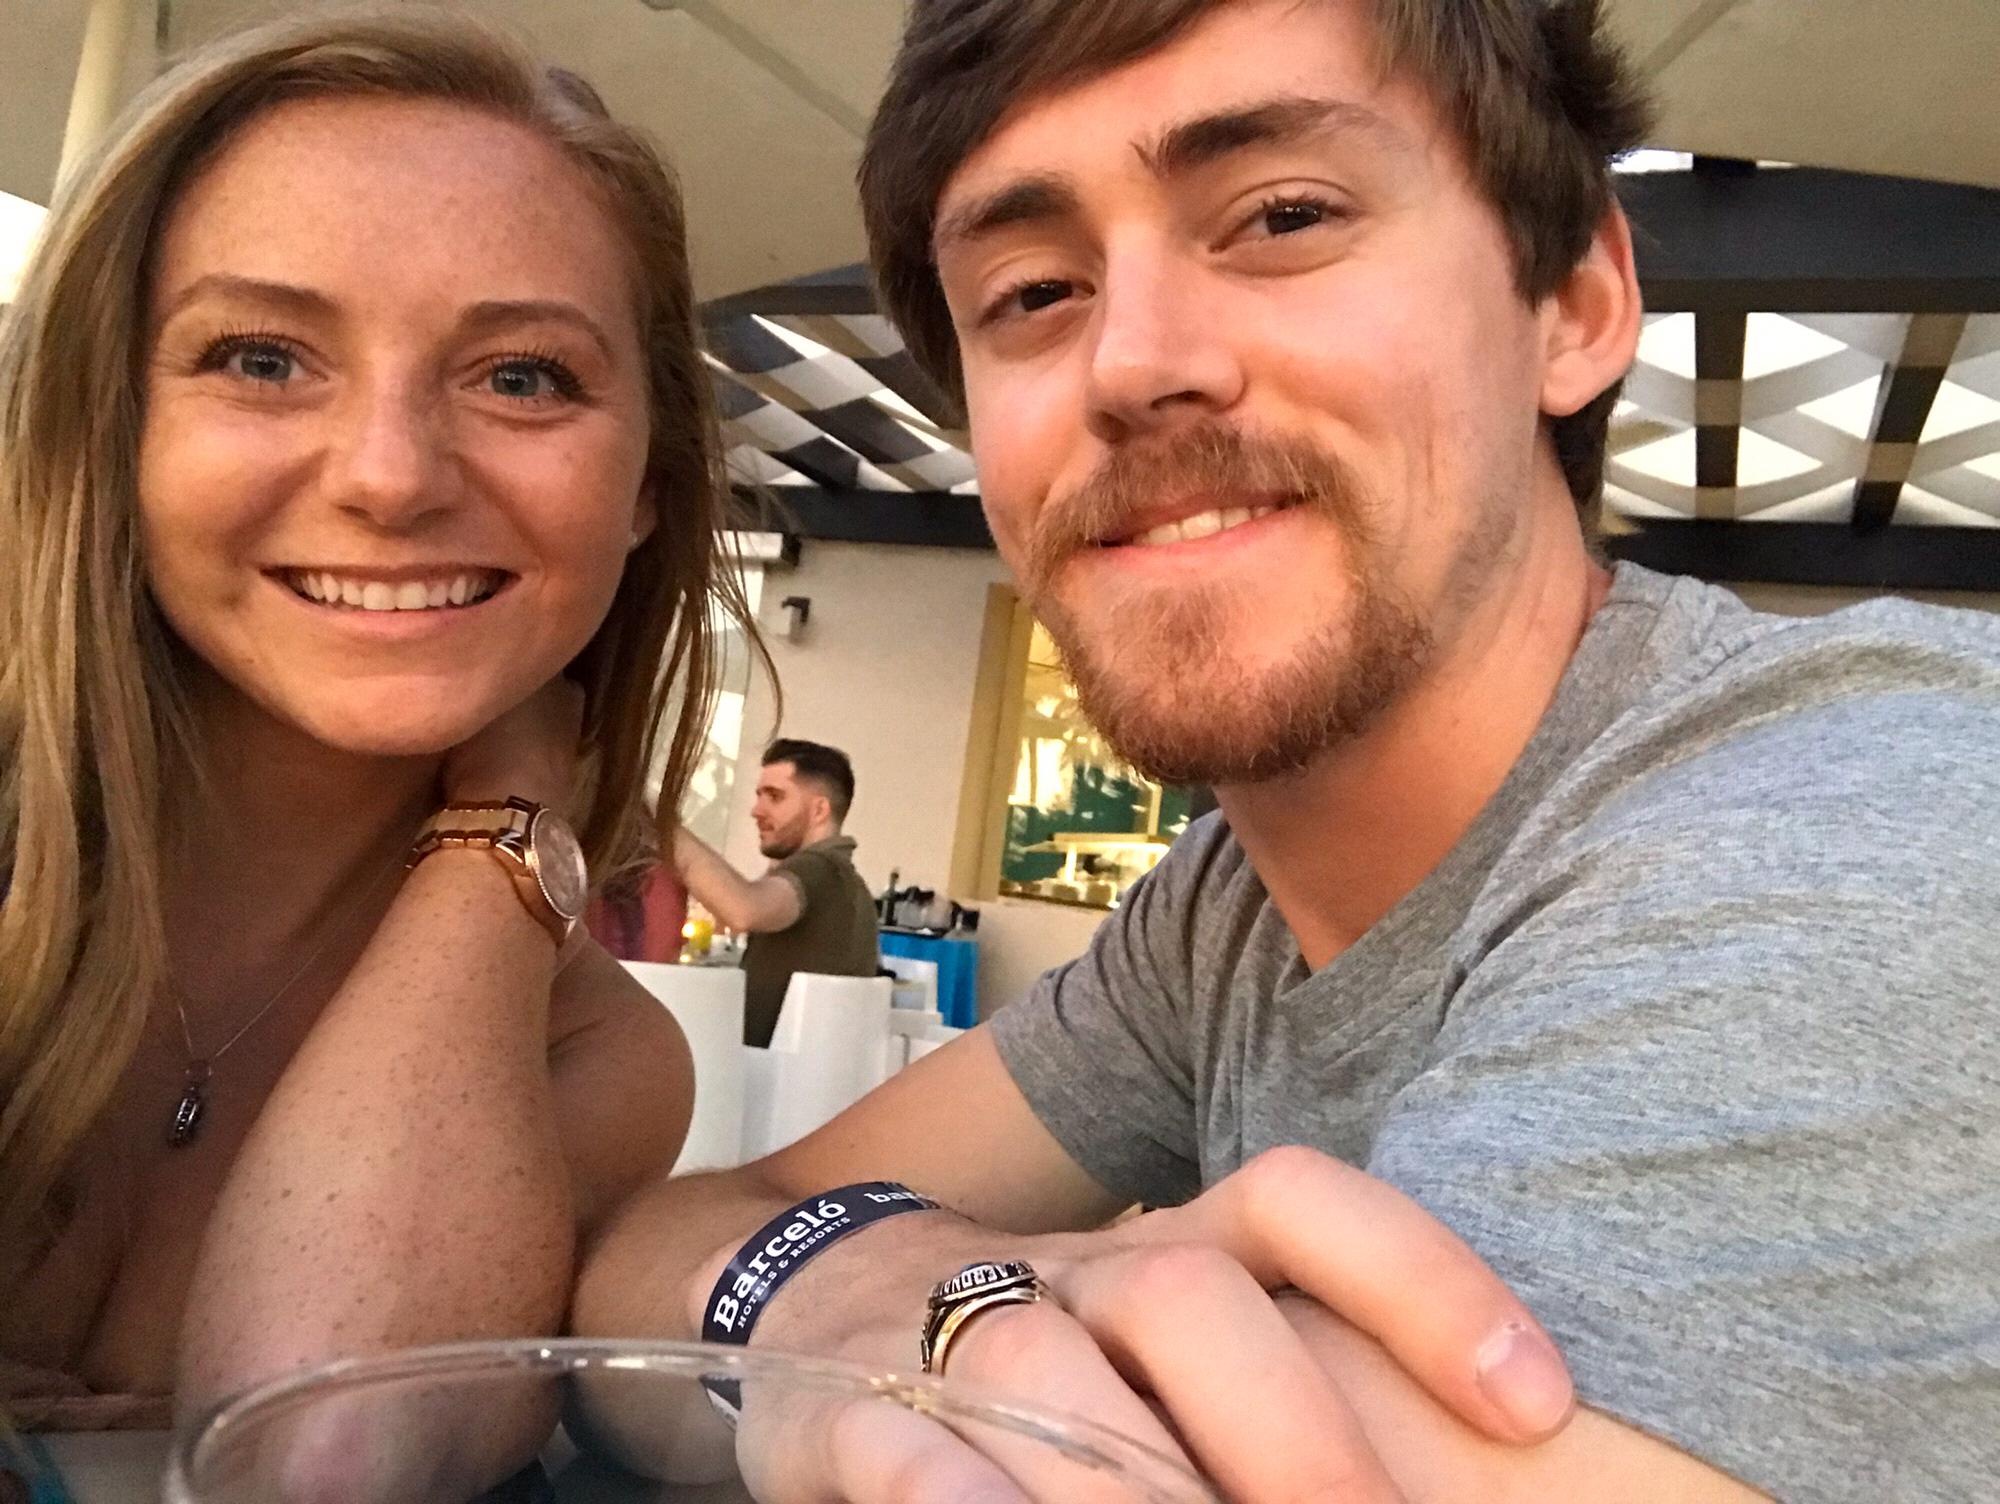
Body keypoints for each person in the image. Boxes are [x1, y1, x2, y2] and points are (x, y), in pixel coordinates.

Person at [578, 1, 1999, 1500]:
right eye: (1033, 291)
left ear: (1572, 301)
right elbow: (639, 1280)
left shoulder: (1865, 817)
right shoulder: (1225, 922)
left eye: (1283, 216)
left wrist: (823, 1326)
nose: (1131, 362)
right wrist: (856, 1286)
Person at [0, 6, 746, 1442]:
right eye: (262, 358)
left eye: (521, 376)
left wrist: (506, 823)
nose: (392, 477)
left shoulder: (590, 1055)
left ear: (647, 486)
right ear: (111, 422)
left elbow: (331, 1453)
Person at [671, 740, 881, 1046]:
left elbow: (744, 910)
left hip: (767, 1070)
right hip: (797, 1068)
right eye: (759, 796)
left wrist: (664, 828)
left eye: (775, 797)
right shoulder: (848, 884)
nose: (756, 811)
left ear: (819, 810)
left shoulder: (820, 870)